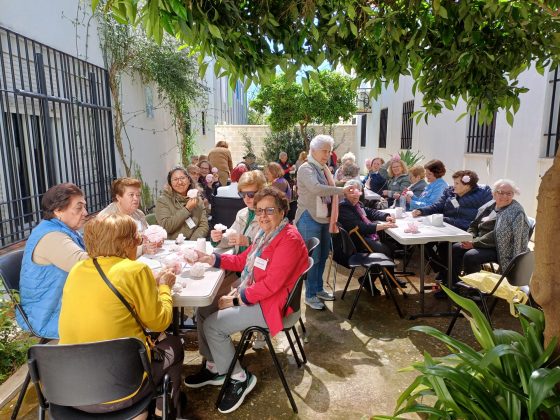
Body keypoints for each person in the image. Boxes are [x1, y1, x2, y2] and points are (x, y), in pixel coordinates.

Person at [184, 187, 308, 414]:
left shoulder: (288, 239)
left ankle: (240, 377)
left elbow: (271, 285)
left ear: (282, 212)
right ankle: (214, 366)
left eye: (269, 210)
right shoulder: (265, 235)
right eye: (259, 210)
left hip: (273, 305)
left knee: (213, 325)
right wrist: (212, 258)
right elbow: (243, 261)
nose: (263, 215)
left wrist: (236, 300)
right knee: (204, 309)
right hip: (260, 294)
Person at [58, 214, 184, 417]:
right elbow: (160, 322)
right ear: (126, 242)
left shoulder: (76, 270)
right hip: (123, 390)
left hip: (70, 390)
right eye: (137, 238)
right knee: (174, 345)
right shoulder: (136, 269)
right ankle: (164, 412)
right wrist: (164, 288)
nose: (139, 242)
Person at [17, 183, 88, 339]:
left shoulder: (63, 229)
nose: (85, 212)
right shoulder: (52, 236)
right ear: (58, 210)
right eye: (79, 207)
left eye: (84, 207)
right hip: (49, 314)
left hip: (63, 304)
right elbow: (86, 265)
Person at [295, 134, 353, 310]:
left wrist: (346, 186)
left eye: (329, 151)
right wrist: (342, 190)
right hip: (308, 217)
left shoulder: (322, 168)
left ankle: (318, 289)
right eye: (324, 151)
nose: (327, 154)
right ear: (313, 150)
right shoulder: (306, 168)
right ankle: (310, 295)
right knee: (313, 258)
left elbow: (328, 187)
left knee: (322, 257)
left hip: (324, 218)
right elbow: (316, 188)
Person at [411, 170, 493, 282]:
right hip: (447, 227)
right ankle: (442, 269)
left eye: (457, 183)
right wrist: (421, 211)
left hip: (467, 230)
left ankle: (450, 280)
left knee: (445, 247)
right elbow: (438, 206)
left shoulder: (482, 193)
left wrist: (450, 221)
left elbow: (483, 218)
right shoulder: (449, 191)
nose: (453, 186)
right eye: (454, 182)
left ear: (468, 186)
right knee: (422, 241)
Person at [450, 179, 530, 286]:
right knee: (456, 248)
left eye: (509, 193)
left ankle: (476, 291)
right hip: (479, 241)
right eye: (501, 192)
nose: (505, 196)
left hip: (499, 247)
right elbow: (474, 224)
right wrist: (470, 237)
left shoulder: (515, 212)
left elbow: (497, 235)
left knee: (471, 256)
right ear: (494, 193)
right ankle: (453, 283)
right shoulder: (490, 206)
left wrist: (473, 243)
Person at [210, 170, 266, 254]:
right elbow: (231, 238)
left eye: (251, 194)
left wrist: (248, 241)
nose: (246, 199)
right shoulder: (242, 213)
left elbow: (269, 247)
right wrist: (218, 239)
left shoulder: (268, 216)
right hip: (237, 262)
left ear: (262, 192)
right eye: (242, 194)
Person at [98, 177, 157, 256]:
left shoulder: (139, 214)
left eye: (138, 195)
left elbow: (148, 235)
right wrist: (141, 249)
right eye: (131, 195)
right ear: (118, 197)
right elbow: (111, 251)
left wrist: (155, 240)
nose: (136, 198)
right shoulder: (107, 218)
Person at [155, 166, 209, 240]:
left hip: (192, 244)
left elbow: (204, 226)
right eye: (175, 179)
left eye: (182, 178)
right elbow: (166, 227)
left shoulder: (197, 199)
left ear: (189, 180)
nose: (180, 182)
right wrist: (187, 209)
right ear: (170, 183)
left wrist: (191, 243)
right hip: (172, 245)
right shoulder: (163, 200)